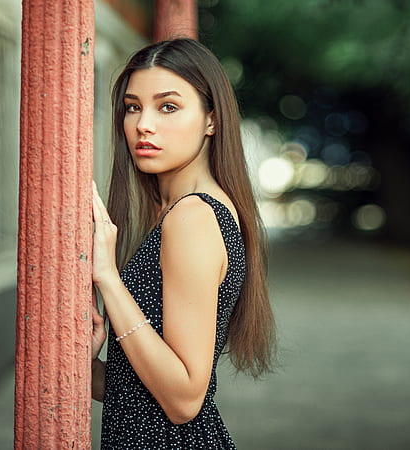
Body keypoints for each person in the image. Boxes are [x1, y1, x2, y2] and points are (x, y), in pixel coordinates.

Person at [89, 38, 275, 449]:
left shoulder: (193, 217)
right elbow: (140, 396)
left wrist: (109, 280)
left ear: (211, 119)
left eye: (167, 106)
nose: (143, 125)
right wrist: (88, 364)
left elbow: (185, 399)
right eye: (133, 106)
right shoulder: (179, 212)